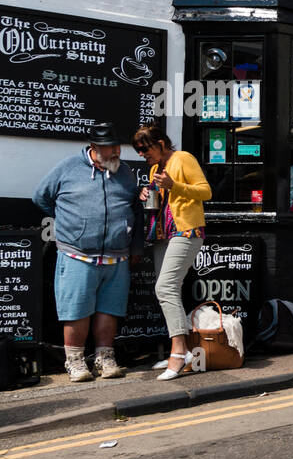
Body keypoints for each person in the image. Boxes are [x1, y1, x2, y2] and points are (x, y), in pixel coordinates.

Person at [32, 122, 143, 382]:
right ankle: (75, 362)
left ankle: (105, 358)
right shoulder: (68, 168)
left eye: (117, 146)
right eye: (109, 148)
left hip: (117, 256)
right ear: (94, 148)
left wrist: (135, 246)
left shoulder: (125, 172)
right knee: (77, 311)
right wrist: (72, 222)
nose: (115, 152)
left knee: (109, 310)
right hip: (77, 255)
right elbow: (41, 197)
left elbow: (136, 210)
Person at [132, 125, 212, 380]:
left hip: (186, 232)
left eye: (146, 150)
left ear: (161, 144)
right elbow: (163, 201)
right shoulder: (155, 168)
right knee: (169, 289)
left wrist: (174, 185)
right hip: (163, 234)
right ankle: (177, 350)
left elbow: (205, 191)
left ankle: (179, 352)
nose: (143, 155)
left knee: (164, 288)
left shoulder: (183, 158)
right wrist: (147, 193)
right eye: (140, 151)